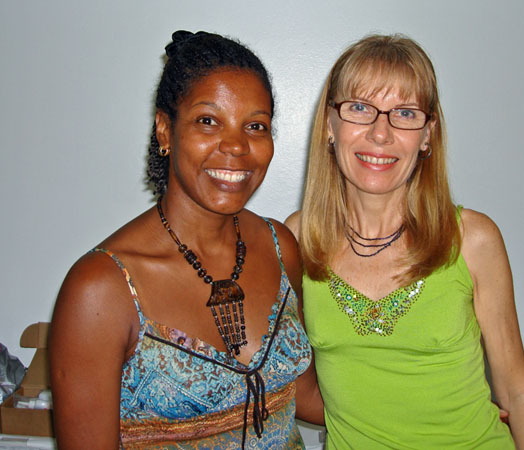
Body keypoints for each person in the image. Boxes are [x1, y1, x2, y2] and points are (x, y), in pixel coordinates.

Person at [50, 30, 322, 450]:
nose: (236, 146)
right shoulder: (101, 289)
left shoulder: (280, 245)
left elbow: (304, 397)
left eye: (255, 126)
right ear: (165, 130)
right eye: (208, 121)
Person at [286, 34, 524, 449]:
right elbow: (295, 385)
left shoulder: (472, 239)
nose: (381, 133)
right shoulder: (297, 240)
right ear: (329, 125)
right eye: (359, 108)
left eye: (405, 113)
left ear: (427, 135)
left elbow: (517, 388)